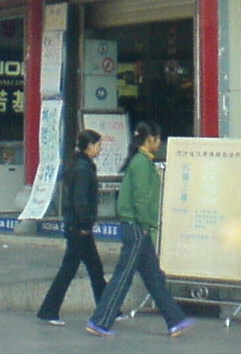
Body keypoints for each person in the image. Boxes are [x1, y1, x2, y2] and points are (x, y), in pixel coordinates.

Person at [86, 120, 193, 339]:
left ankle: (175, 321)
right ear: (149, 139)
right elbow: (141, 199)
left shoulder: (141, 161)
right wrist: (145, 225)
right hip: (137, 227)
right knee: (123, 276)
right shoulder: (142, 164)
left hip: (137, 227)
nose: (159, 143)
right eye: (158, 138)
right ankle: (100, 321)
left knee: (154, 277)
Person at [35, 129, 107, 325]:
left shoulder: (81, 164)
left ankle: (108, 309)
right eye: (98, 145)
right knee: (69, 269)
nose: (100, 149)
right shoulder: (82, 168)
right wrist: (84, 224)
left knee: (95, 268)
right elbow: (80, 200)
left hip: (78, 226)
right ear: (89, 146)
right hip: (78, 227)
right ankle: (49, 311)